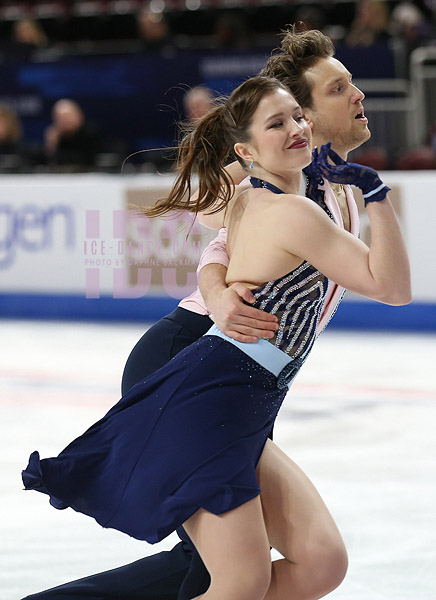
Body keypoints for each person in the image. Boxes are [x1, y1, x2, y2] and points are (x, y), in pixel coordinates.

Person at [21, 27, 394, 600]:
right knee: (226, 573)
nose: (358, 95)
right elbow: (219, 224)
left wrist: (219, 281)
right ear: (306, 116)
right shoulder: (282, 178)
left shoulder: (336, 184)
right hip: (191, 358)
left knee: (307, 563)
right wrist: (217, 289)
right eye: (339, 88)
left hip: (245, 378)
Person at [44, 99, 102, 169]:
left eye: (67, 117)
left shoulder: (90, 133)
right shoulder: (56, 136)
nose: (65, 121)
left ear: (78, 116)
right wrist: (52, 145)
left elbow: (87, 160)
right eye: (61, 118)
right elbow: (51, 163)